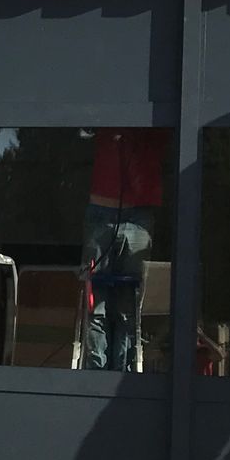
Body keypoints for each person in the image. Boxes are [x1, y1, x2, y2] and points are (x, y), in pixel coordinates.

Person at [81, 127, 165, 372]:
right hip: (103, 205)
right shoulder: (111, 99)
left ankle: (123, 376)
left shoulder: (159, 107)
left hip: (139, 210)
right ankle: (97, 374)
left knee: (129, 305)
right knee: (94, 301)